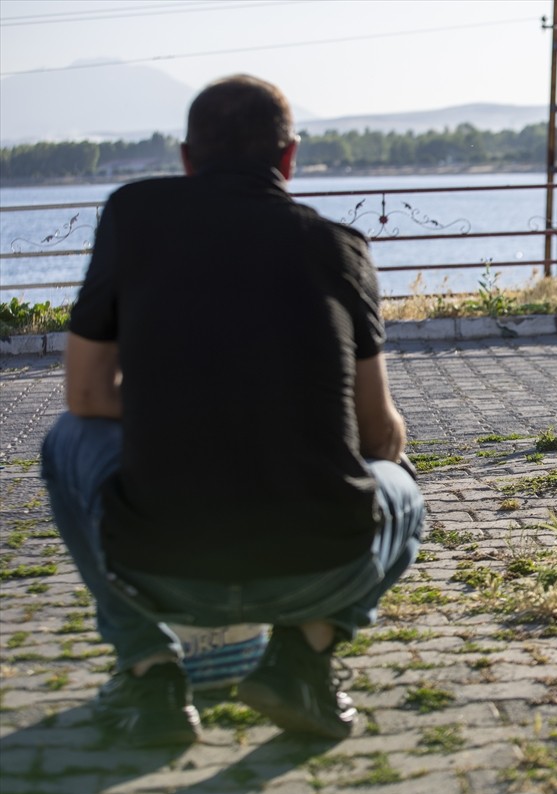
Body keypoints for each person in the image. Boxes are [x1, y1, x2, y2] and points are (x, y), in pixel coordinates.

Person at [40, 74, 425, 746]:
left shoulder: (132, 216)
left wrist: (179, 405)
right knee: (406, 488)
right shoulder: (342, 248)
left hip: (158, 567)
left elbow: (88, 396)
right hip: (323, 567)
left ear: (187, 158)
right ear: (289, 158)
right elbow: (378, 434)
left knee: (65, 440)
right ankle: (303, 659)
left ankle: (149, 672)